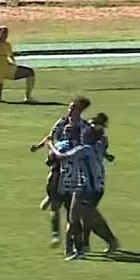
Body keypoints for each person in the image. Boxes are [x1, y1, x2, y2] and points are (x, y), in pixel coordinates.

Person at [48, 124, 118, 260]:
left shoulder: (84, 149)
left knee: (75, 219)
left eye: (87, 132)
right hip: (97, 188)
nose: (84, 132)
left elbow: (61, 156)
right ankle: (109, 241)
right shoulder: (98, 147)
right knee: (89, 218)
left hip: (84, 188)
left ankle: (80, 250)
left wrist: (50, 144)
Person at [33, 96, 93, 245]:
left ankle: (73, 241)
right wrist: (38, 146)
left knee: (71, 208)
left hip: (75, 169)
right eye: (70, 107)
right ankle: (55, 234)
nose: (70, 110)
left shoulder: (85, 128)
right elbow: (50, 137)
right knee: (55, 204)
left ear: (80, 110)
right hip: (58, 165)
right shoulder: (62, 122)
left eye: (73, 108)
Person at [0, 26, 36, 103]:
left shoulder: (7, 45)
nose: (5, 35)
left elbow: (10, 56)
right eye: (3, 33)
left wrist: (13, 63)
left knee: (29, 72)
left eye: (6, 33)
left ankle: (28, 97)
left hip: (7, 69)